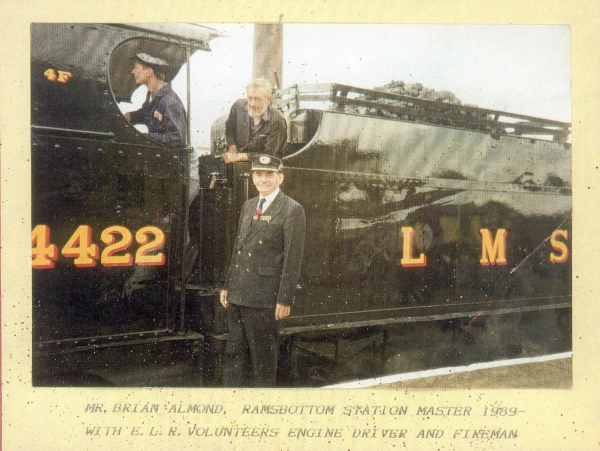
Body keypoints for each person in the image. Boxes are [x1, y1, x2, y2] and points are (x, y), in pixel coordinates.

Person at [220, 154, 306, 387]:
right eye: (258, 174)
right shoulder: (249, 206)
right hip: (238, 295)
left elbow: (292, 259)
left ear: (281, 177)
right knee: (234, 355)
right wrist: (228, 285)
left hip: (263, 298)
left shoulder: (291, 210)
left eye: (269, 174)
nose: (263, 179)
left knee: (263, 361)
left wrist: (284, 299)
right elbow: (238, 248)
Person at [124, 52, 187, 147]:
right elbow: (146, 113)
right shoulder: (152, 96)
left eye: (136, 67)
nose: (132, 71)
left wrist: (142, 137)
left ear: (149, 72)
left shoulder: (169, 101)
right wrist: (130, 116)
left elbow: (176, 139)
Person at [221, 78, 287, 164]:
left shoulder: (277, 121)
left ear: (268, 100)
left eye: (257, 100)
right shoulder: (238, 106)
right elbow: (230, 129)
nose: (252, 104)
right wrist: (232, 147)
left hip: (264, 167)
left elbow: (268, 155)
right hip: (237, 162)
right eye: (250, 98)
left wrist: (238, 157)